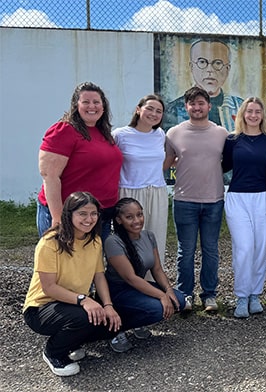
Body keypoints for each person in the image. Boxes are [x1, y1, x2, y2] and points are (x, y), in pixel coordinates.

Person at [23, 192, 122, 377]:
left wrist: (108, 306)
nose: (89, 219)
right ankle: (54, 353)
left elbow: (99, 275)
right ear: (69, 215)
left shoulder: (95, 240)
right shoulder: (49, 242)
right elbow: (49, 287)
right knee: (83, 318)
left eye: (93, 213)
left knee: (112, 322)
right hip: (41, 308)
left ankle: (72, 343)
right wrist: (84, 300)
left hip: (74, 303)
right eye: (82, 214)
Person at [164, 87, 227, 313]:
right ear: (186, 107)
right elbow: (165, 162)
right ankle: (185, 295)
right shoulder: (173, 133)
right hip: (184, 200)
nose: (197, 107)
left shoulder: (222, 133)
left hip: (213, 200)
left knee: (210, 249)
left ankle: (209, 295)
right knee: (185, 250)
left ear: (209, 106)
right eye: (192, 104)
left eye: (201, 103)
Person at [37, 82, 123, 243]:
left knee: (92, 265)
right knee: (65, 265)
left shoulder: (103, 132)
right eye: (86, 102)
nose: (92, 106)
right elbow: (49, 175)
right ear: (76, 106)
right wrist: (58, 218)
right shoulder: (64, 130)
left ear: (103, 107)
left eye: (96, 102)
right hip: (71, 215)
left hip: (99, 215)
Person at [104, 198, 186, 353]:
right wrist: (162, 296)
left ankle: (135, 321)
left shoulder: (148, 236)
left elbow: (157, 269)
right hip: (118, 290)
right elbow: (130, 278)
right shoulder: (113, 241)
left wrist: (168, 290)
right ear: (119, 220)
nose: (137, 220)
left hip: (138, 288)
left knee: (178, 300)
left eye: (139, 215)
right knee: (157, 308)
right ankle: (116, 328)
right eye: (129, 217)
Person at [222, 97, 266, 318]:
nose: (253, 115)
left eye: (257, 111)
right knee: (244, 247)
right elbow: (223, 166)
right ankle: (241, 296)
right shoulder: (232, 140)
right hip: (237, 197)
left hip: (263, 198)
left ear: (262, 115)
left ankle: (255, 294)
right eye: (249, 111)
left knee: (261, 247)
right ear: (242, 114)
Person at [112, 94, 169, 263]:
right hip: (130, 191)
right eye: (149, 108)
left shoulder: (160, 134)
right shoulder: (120, 135)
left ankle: (154, 282)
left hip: (157, 192)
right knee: (130, 241)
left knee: (155, 238)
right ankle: (129, 282)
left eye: (158, 111)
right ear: (138, 110)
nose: (154, 114)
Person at [163, 39, 243, 131]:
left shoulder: (240, 107)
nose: (210, 70)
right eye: (202, 62)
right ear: (192, 67)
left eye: (217, 63)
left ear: (228, 69)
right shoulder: (174, 109)